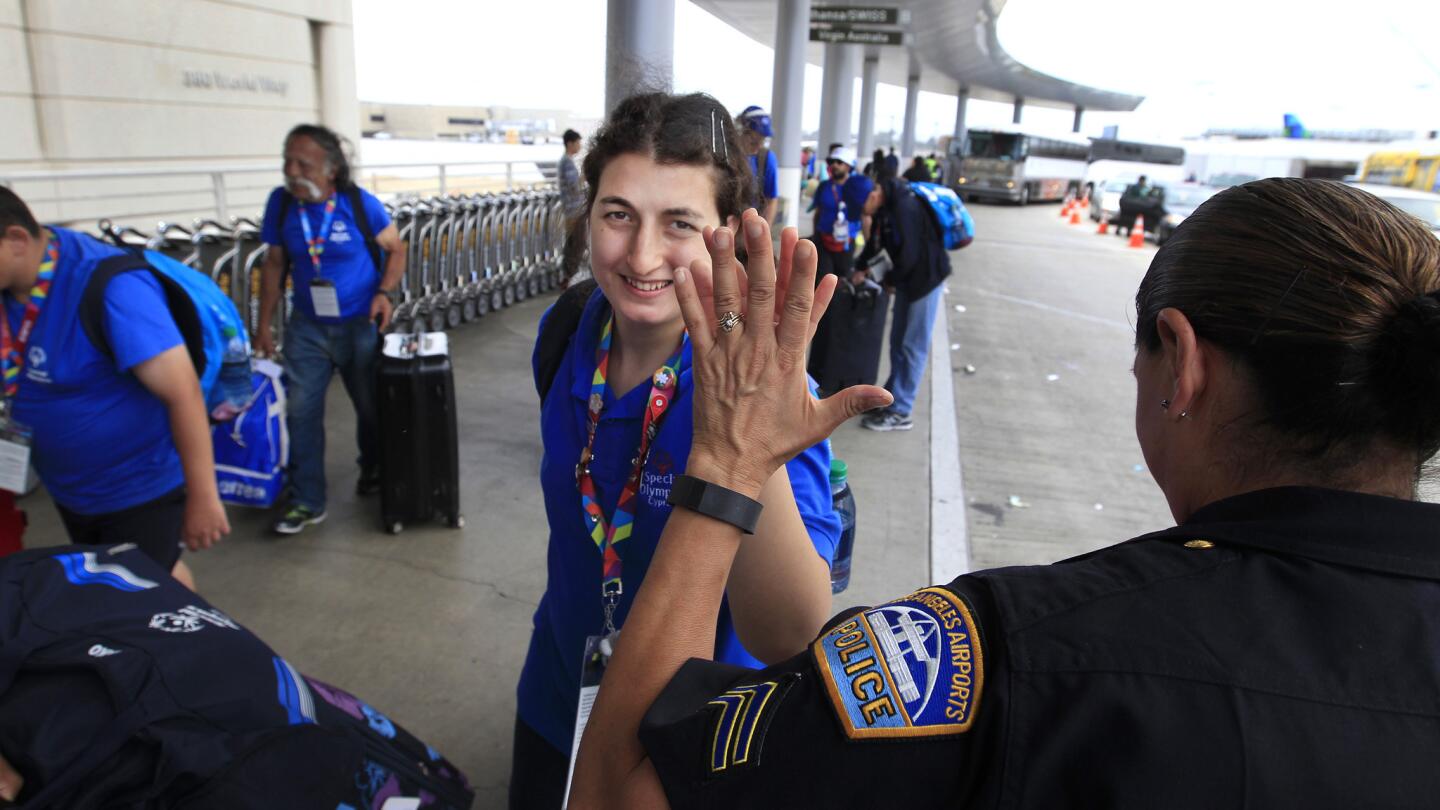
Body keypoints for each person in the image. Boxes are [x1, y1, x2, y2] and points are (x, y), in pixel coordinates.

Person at [568, 178, 1440, 807]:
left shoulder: (1010, 651)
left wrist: (724, 462)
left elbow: (615, 790)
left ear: (1181, 361)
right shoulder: (570, 340)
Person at [511, 92, 841, 810]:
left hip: (688, 748)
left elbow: (790, 632)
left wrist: (746, 437)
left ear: (731, 235)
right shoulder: (569, 329)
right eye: (618, 214)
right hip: (559, 694)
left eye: (680, 224)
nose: (642, 255)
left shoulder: (766, 390)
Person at [0, 188, 227, 586]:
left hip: (138, 487)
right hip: (72, 488)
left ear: (17, 239)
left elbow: (183, 392)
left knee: (142, 589)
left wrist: (203, 497)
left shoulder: (111, 288)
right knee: (131, 577)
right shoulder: (10, 285)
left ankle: (185, 638)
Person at [256, 123, 407, 535]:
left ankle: (372, 468)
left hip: (359, 323)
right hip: (307, 327)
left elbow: (395, 248)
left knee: (370, 408)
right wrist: (264, 326)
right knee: (301, 412)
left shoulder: (359, 204)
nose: (291, 170)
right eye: (287, 160)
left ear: (332, 169)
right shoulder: (281, 204)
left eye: (302, 162)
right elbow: (273, 264)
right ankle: (306, 500)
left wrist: (384, 293)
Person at [854, 176, 952, 432]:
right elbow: (877, 246)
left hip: (926, 281)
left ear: (875, 194)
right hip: (908, 281)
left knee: (912, 346)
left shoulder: (903, 208)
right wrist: (860, 267)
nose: (862, 212)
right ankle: (892, 397)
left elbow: (908, 256)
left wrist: (889, 280)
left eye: (861, 205)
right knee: (897, 342)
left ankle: (902, 411)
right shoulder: (886, 209)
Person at [807, 147, 872, 281]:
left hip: (846, 243)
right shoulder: (824, 186)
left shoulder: (856, 188)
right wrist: (815, 235)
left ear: (848, 166)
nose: (834, 165)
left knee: (843, 281)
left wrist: (869, 246)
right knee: (823, 280)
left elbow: (865, 215)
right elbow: (818, 212)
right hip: (823, 240)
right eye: (832, 161)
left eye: (839, 162)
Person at [736, 106, 780, 226]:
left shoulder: (767, 158)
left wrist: (765, 230)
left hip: (751, 226)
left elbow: (772, 199)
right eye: (753, 141)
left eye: (763, 141)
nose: (758, 146)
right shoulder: (728, 156)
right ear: (740, 132)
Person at [558, 128, 588, 286]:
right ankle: (569, 276)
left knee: (573, 243)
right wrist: (585, 175)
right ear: (570, 143)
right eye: (578, 142)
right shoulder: (567, 163)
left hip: (571, 210)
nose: (580, 146)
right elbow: (574, 186)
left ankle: (568, 275)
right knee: (575, 243)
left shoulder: (566, 161)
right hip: (573, 211)